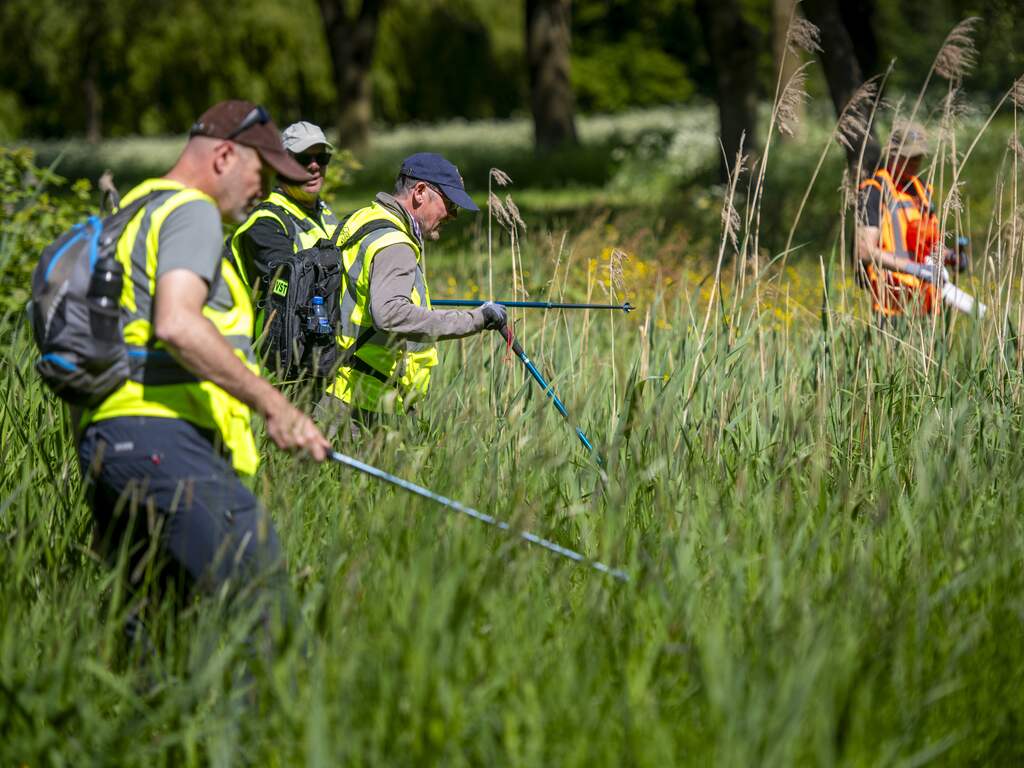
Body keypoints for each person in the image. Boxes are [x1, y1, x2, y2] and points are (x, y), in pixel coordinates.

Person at [77, 100, 331, 632]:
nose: (262, 190)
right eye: (260, 173)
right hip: (167, 444)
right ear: (222, 156)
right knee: (266, 615)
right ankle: (269, 717)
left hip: (110, 445)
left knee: (159, 635)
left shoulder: (134, 209)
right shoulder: (191, 211)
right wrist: (274, 404)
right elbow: (177, 323)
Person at [317, 152, 507, 431]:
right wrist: (475, 319)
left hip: (333, 390)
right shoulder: (395, 243)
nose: (454, 215)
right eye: (450, 203)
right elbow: (391, 314)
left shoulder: (361, 220)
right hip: (363, 405)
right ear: (420, 192)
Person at [856, 122, 968, 321]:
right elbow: (865, 251)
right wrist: (914, 269)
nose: (914, 161)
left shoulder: (922, 191)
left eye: (918, 156)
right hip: (890, 305)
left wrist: (951, 256)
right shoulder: (874, 190)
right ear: (892, 153)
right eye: (908, 156)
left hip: (926, 305)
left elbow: (926, 245)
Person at [230, 120, 341, 306]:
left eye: (322, 158)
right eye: (303, 159)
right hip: (279, 335)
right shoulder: (265, 223)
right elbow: (285, 285)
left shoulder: (324, 212)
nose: (314, 166)